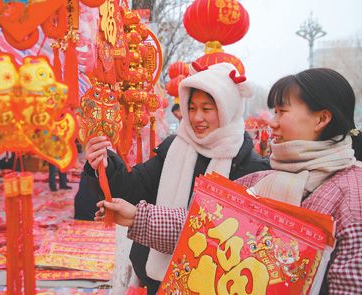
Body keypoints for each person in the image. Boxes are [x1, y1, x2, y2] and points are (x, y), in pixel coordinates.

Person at [96, 68, 362, 294]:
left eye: (282, 112)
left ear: (322, 118)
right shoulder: (263, 178)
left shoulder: (350, 195)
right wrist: (136, 216)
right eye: (192, 108)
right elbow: (204, 227)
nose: (273, 122)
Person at [75, 62, 270, 294]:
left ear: (227, 109)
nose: (197, 117)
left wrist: (141, 218)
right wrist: (105, 162)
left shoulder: (250, 168)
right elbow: (132, 189)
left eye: (207, 109)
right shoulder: (174, 148)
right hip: (156, 281)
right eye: (192, 107)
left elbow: (224, 234)